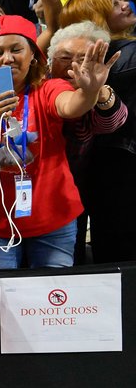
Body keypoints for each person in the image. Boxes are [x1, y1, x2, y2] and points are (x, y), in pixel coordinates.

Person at [0, 14, 117, 270]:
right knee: (2, 302)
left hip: (54, 221)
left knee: (53, 302)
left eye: (17, 49)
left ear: (33, 56)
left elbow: (71, 106)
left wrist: (91, 91)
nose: (8, 58)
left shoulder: (48, 89)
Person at [60, 0, 136, 263]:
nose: (126, 5)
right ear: (97, 19)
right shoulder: (129, 54)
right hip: (120, 170)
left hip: (84, 174)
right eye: (115, 4)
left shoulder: (66, 69)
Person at [46, 21, 128, 265]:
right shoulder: (38, 88)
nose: (74, 65)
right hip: (40, 190)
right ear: (50, 63)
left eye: (84, 57)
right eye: (65, 57)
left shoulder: (99, 92)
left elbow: (112, 122)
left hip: (80, 189)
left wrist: (98, 91)